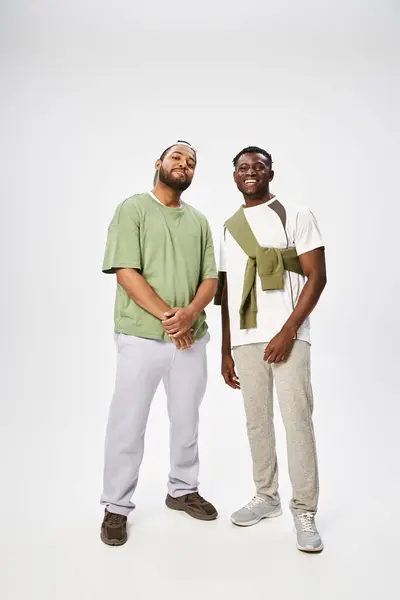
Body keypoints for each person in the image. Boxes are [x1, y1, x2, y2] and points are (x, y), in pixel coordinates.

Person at [100, 141, 219, 546]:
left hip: (192, 339)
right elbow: (126, 272)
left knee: (187, 420)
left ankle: (182, 490)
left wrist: (189, 315)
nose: (183, 165)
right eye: (176, 158)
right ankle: (116, 507)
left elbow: (210, 279)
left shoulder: (199, 220)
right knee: (128, 424)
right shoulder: (133, 209)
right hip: (141, 336)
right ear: (159, 164)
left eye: (191, 162)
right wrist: (171, 318)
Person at [216, 146, 327, 553]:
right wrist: (226, 351)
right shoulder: (228, 226)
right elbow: (227, 291)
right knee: (256, 423)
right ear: (234, 176)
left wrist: (289, 330)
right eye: (243, 167)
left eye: (258, 166)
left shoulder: (295, 213)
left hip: (289, 335)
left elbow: (318, 276)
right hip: (246, 338)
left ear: (270, 172)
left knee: (297, 421)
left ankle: (305, 509)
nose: (250, 172)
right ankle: (267, 496)